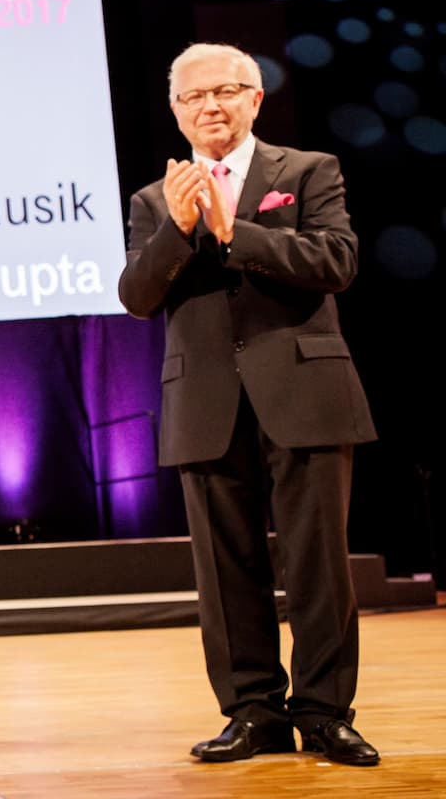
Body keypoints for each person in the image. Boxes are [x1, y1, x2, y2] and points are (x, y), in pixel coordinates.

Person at [117, 42, 380, 767]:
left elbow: (337, 262)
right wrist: (180, 229)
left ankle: (326, 713)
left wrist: (237, 234)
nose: (211, 106)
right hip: (205, 402)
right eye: (194, 97)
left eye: (226, 91)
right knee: (227, 571)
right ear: (175, 112)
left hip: (305, 391)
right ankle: (254, 713)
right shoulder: (153, 199)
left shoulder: (306, 171)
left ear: (255, 100)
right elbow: (138, 296)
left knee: (319, 565)